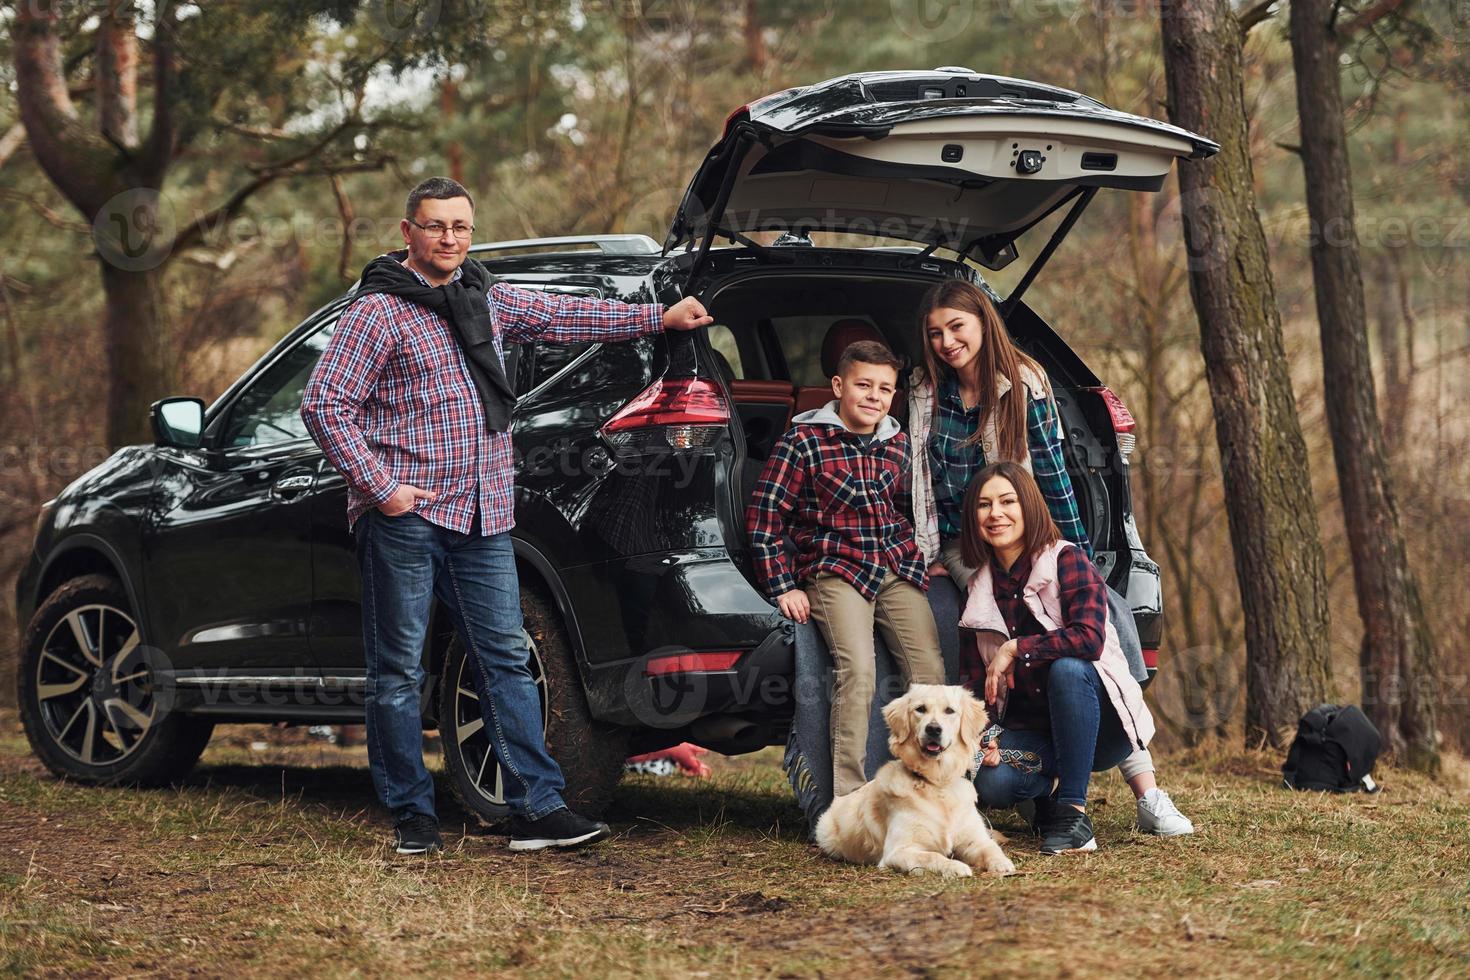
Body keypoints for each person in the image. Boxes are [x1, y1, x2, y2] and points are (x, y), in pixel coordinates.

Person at [301, 177, 712, 855]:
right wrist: (383, 489)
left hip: (485, 514)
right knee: (399, 671)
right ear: (408, 232)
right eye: (435, 227)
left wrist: (657, 318)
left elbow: (561, 316)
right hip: (406, 518)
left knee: (505, 661)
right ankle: (411, 813)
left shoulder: (482, 297)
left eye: (460, 227)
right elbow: (324, 404)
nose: (449, 239)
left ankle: (537, 809)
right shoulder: (377, 312)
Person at [907, 279, 1192, 837]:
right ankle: (996, 768)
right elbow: (919, 478)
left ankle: (1147, 787)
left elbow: (1054, 478)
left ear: (984, 324)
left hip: (1025, 533)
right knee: (978, 621)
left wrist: (1075, 562)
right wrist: (927, 556)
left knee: (1107, 620)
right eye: (936, 333)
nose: (947, 342)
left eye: (957, 327)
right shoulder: (924, 389)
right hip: (961, 546)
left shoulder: (1025, 380)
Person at [746, 340, 946, 798]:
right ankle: (849, 797)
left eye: (885, 388)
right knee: (858, 669)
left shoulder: (897, 442)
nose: (874, 396)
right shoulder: (804, 440)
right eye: (863, 385)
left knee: (929, 671)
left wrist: (924, 557)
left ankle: (932, 785)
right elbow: (765, 514)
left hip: (893, 565)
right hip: (835, 568)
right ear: (838, 387)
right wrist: (782, 584)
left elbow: (906, 506)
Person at [958, 462, 1163, 854]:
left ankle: (1073, 813)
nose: (995, 513)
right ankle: (1046, 802)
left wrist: (1016, 648)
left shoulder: (1067, 560)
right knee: (992, 782)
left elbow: (1089, 640)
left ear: (1029, 507)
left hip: (1103, 729)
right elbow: (974, 687)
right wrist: (986, 739)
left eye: (1007, 501)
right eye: (984, 505)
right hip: (1037, 737)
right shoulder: (978, 590)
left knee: (1069, 670)